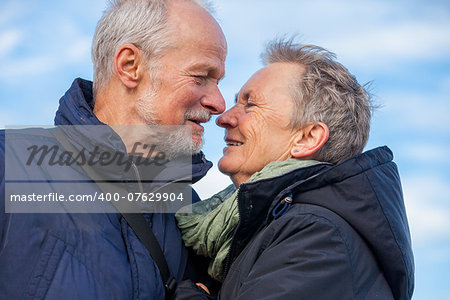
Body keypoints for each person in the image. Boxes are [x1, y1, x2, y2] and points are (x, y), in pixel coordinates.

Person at [0, 0, 226, 299]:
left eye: (218, 81)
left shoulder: (189, 210)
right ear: (130, 66)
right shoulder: (8, 165)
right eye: (200, 77)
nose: (219, 104)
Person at [175, 39, 415, 299]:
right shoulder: (269, 227)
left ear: (307, 138)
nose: (224, 118)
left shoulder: (318, 237)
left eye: (251, 105)